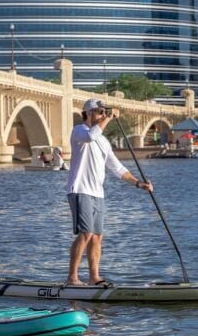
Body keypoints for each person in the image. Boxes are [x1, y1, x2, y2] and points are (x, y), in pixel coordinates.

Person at [65, 98, 154, 286]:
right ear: (88, 113)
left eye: (104, 112)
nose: (103, 115)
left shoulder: (103, 141)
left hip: (98, 193)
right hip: (80, 189)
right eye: (99, 112)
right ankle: (72, 278)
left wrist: (138, 183)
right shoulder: (79, 131)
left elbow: (118, 168)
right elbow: (91, 136)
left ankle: (94, 277)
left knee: (97, 236)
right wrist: (110, 118)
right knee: (85, 233)